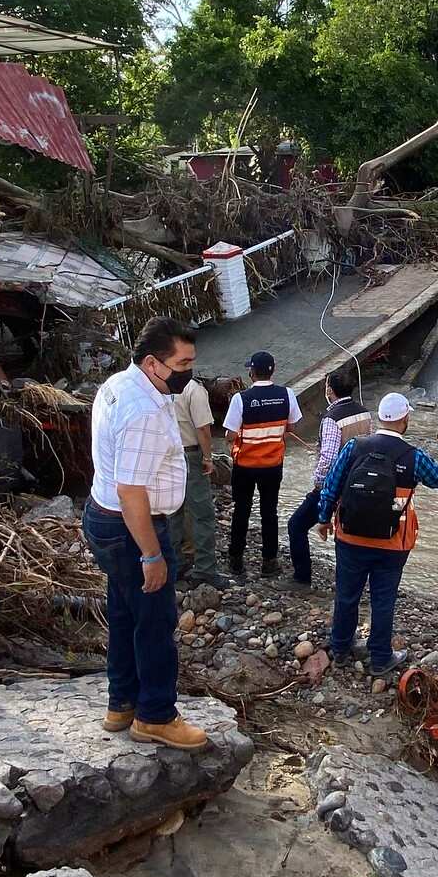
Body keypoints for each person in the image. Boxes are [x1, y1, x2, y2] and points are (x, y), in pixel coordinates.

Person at [83, 316, 210, 750]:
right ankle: (155, 715)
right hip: (130, 525)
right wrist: (152, 555)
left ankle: (121, 703)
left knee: (124, 614)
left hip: (104, 517)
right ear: (154, 363)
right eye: (184, 362)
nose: (190, 370)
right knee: (155, 622)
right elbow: (132, 490)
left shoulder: (120, 384)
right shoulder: (142, 412)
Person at [317, 392, 438, 676]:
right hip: (393, 542)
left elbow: (332, 484)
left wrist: (323, 519)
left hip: (350, 537)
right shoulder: (413, 456)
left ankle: (341, 648)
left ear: (380, 416)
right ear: (405, 419)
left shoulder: (355, 447)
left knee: (346, 595)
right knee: (384, 599)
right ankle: (381, 657)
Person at [284, 366, 375, 588]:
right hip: (360, 484)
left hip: (335, 487)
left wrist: (319, 486)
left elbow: (328, 459)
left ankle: (301, 579)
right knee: (352, 536)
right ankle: (358, 582)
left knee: (296, 525)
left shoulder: (332, 419)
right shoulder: (364, 412)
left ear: (330, 390)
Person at [221, 350, 301, 576]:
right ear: (273, 370)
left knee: (242, 511)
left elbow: (229, 434)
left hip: (245, 466)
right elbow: (292, 426)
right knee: (270, 511)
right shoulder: (287, 394)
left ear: (251, 373)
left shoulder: (241, 399)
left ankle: (236, 560)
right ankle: (269, 561)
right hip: (273, 465)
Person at [168, 373, 227, 588]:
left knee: (172, 512)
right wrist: (208, 457)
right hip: (191, 455)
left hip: (168, 455)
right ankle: (205, 569)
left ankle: (174, 564)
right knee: (202, 514)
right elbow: (203, 428)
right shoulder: (194, 390)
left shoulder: (161, 388)